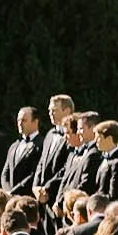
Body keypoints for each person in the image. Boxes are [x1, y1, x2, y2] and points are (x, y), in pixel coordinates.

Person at [31, 95, 75, 223]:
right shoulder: (50, 134)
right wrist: (36, 186)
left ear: (66, 111)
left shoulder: (72, 135)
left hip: (58, 195)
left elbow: (67, 167)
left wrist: (48, 188)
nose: (50, 113)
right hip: (42, 198)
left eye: (54, 110)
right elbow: (41, 163)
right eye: (49, 110)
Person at [1, 108, 43, 197]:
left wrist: (14, 192)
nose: (20, 123)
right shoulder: (14, 145)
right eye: (18, 120)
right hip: (10, 198)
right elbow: (5, 172)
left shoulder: (41, 144)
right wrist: (7, 191)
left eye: (24, 120)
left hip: (28, 197)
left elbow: (34, 174)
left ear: (35, 122)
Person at [93, 121, 118, 203]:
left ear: (109, 139)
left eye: (98, 138)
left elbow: (115, 196)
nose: (95, 141)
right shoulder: (104, 158)